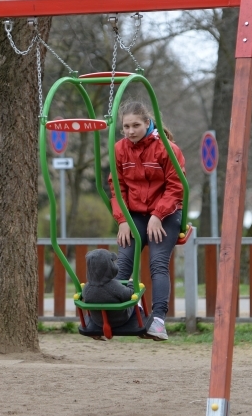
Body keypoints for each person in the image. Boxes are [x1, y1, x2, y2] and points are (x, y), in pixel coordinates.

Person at [109, 101, 185, 341]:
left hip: (166, 212)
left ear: (147, 122)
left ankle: (159, 320)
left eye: (135, 125)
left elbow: (176, 186)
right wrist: (122, 219)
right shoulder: (120, 149)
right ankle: (124, 316)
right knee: (123, 264)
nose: (130, 131)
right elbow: (116, 187)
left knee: (157, 263)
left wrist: (158, 215)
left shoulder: (166, 148)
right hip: (134, 214)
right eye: (126, 127)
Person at [81, 249, 134, 332]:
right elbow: (129, 294)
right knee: (135, 301)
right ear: (109, 266)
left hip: (98, 321)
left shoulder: (87, 288)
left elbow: (84, 296)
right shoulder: (114, 286)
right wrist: (131, 283)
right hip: (120, 320)